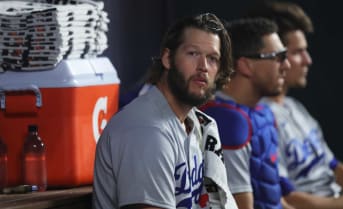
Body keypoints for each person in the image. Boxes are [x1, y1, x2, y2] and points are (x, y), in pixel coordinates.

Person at [92, 13, 238, 209]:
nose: (203, 67)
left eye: (212, 58)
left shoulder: (196, 125)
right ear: (168, 58)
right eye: (193, 53)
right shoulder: (146, 131)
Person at [245, 1, 343, 208]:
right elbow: (290, 200)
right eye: (297, 52)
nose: (308, 60)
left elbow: (333, 168)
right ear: (276, 55)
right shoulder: (258, 118)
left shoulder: (295, 107)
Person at [200, 17, 294, 209]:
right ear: (245, 65)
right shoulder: (228, 122)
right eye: (278, 57)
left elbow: (274, 200)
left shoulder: (262, 114)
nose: (287, 66)